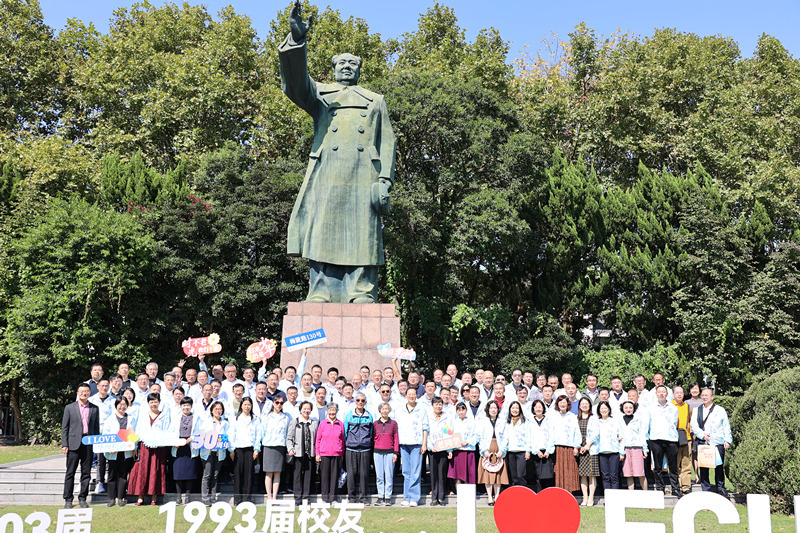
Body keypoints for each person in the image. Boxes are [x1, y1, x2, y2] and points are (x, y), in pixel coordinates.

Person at [279, 0, 396, 303]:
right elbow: (295, 84)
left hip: (364, 175)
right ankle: (321, 290)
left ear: (359, 70)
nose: (346, 67)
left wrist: (384, 180)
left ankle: (362, 291)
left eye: (352, 64)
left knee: (363, 233)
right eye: (341, 63)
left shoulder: (375, 100)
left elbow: (388, 141)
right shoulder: (321, 94)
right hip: (328, 171)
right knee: (322, 229)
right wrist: (297, 39)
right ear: (333, 68)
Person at [61, 383, 100, 509]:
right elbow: (65, 427)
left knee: (86, 473)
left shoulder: (94, 408)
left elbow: (96, 428)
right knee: (70, 472)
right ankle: (68, 499)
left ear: (90, 393)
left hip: (88, 442)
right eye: (82, 391)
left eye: (86, 391)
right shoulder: (69, 407)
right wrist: (65, 444)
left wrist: (96, 443)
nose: (84, 393)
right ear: (77, 393)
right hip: (73, 443)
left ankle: (82, 498)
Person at [129, 392, 170, 505]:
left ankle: (154, 496)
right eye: (151, 402)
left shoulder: (164, 416)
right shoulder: (143, 415)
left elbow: (166, 431)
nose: (153, 404)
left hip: (158, 447)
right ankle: (140, 496)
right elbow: (138, 431)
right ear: (148, 403)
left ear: (159, 402)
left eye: (155, 402)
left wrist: (160, 442)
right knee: (143, 469)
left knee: (155, 470)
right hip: (145, 446)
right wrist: (135, 446)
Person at [690, 388, 732, 496]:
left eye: (706, 395)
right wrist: (701, 434)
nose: (704, 397)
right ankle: (706, 489)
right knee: (704, 467)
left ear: (712, 397)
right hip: (703, 442)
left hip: (717, 442)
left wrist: (727, 440)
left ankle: (720, 487)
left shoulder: (720, 410)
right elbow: (694, 425)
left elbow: (726, 425)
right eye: (703, 395)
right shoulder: (697, 410)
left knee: (719, 466)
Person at [395, 387, 429, 507]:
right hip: (404, 444)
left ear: (417, 395)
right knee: (406, 472)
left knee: (415, 471)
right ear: (406, 396)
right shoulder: (400, 409)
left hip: (417, 443)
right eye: (409, 394)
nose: (411, 396)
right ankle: (407, 497)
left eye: (413, 394)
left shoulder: (422, 409)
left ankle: (414, 497)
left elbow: (425, 427)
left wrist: (424, 443)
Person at [102, 397, 136, 506]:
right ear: (116, 405)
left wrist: (134, 447)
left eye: (124, 404)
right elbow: (105, 435)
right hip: (113, 452)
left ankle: (121, 498)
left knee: (123, 474)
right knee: (112, 475)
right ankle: (111, 498)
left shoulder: (131, 418)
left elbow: (134, 434)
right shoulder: (110, 419)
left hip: (126, 451)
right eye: (120, 404)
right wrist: (109, 447)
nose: (122, 406)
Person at [647, 385, 680, 496]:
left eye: (663, 392)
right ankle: (660, 488)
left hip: (671, 439)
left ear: (667, 394)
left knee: (673, 466)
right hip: (656, 439)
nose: (661, 394)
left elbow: (675, 423)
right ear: (656, 394)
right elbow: (648, 424)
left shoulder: (673, 408)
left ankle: (675, 488)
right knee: (657, 467)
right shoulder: (651, 408)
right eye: (659, 392)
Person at [228, 397, 260, 505]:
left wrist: (256, 449)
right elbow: (231, 434)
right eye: (245, 404)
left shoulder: (255, 419)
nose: (247, 407)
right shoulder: (235, 419)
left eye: (249, 405)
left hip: (250, 449)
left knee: (249, 474)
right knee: (238, 474)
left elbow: (258, 435)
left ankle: (247, 499)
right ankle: (237, 499)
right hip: (238, 449)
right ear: (241, 406)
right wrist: (231, 449)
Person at [259, 395, 292, 500]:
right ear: (273, 403)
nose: (279, 405)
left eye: (281, 403)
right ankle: (269, 496)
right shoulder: (267, 417)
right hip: (269, 446)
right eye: (277, 402)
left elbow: (288, 432)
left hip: (280, 446)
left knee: (277, 473)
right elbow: (262, 431)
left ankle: (274, 496)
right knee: (269, 473)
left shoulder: (286, 417)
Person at [287, 401, 318, 506]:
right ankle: (297, 498)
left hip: (310, 453)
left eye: (308, 408)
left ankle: (306, 498)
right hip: (298, 453)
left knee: (308, 476)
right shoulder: (295, 422)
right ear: (300, 409)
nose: (306, 410)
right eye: (304, 408)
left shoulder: (314, 423)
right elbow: (289, 437)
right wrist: (290, 448)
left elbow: (317, 438)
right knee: (297, 476)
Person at [344, 392, 373, 504]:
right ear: (355, 402)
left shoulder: (369, 416)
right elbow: (345, 432)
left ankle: (363, 497)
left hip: (365, 449)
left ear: (365, 402)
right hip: (351, 449)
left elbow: (371, 432)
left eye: (362, 400)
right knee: (351, 474)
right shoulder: (349, 415)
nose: (360, 402)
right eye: (358, 400)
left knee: (364, 475)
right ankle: (351, 497)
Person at [477, 400, 508, 506]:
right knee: (488, 474)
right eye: (491, 408)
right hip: (487, 448)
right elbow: (480, 437)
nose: (493, 410)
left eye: (495, 408)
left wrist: (502, 450)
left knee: (498, 474)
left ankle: (497, 496)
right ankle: (490, 497)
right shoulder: (483, 421)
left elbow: (505, 437)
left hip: (498, 448)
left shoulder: (502, 421)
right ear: (488, 409)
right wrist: (484, 450)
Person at [198, 401, 228, 506]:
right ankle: (205, 497)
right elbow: (201, 435)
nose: (218, 411)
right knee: (207, 475)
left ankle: (213, 497)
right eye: (216, 409)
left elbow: (227, 436)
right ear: (211, 411)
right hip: (208, 452)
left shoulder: (225, 423)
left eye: (220, 409)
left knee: (215, 475)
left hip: (219, 452)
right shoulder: (206, 422)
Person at [171, 397, 200, 505]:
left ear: (191, 406)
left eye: (188, 405)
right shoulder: (176, 417)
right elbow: (171, 431)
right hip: (178, 446)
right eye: (184, 405)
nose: (186, 407)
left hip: (190, 446)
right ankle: (178, 497)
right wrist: (175, 442)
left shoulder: (196, 417)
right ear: (181, 406)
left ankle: (187, 496)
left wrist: (192, 438)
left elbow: (200, 431)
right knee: (178, 473)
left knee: (190, 473)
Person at [549, 395, 580, 494]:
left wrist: (576, 446)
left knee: (569, 471)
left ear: (568, 404)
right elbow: (550, 432)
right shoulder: (553, 416)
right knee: (558, 471)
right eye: (560, 402)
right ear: (557, 404)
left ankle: (569, 494)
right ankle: (559, 494)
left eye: (564, 402)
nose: (562, 404)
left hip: (569, 447)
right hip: (557, 447)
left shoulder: (572, 416)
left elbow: (577, 432)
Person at [316, 403, 345, 504]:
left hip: (337, 454)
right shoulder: (322, 424)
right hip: (324, 454)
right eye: (330, 410)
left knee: (335, 477)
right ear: (327, 411)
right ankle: (325, 498)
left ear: (336, 411)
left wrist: (342, 453)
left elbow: (343, 440)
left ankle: (333, 498)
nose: (332, 412)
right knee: (324, 477)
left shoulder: (340, 424)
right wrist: (317, 453)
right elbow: (318, 439)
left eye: (334, 410)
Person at [426, 397, 453, 506]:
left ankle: (441, 497)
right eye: (436, 404)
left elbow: (450, 432)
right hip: (432, 449)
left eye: (440, 404)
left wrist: (449, 449)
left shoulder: (447, 417)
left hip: (443, 448)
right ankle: (434, 497)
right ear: (432, 405)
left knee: (442, 473)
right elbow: (426, 433)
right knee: (433, 473)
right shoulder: (428, 416)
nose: (438, 406)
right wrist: (429, 446)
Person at [373, 402, 399, 506]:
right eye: (383, 409)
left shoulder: (393, 423)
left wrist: (395, 452)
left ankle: (388, 497)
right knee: (379, 476)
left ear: (389, 410)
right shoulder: (375, 424)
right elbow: (373, 437)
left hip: (390, 452)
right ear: (380, 410)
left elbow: (396, 438)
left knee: (389, 475)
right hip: (377, 452)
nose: (384, 411)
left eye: (386, 409)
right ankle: (380, 496)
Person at [594, 401, 624, 492]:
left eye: (605, 408)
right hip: (602, 452)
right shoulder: (597, 422)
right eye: (601, 408)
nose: (604, 410)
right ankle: (607, 496)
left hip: (614, 452)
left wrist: (622, 452)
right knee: (605, 476)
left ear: (609, 409)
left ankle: (614, 496)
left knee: (614, 476)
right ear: (599, 410)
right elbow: (594, 436)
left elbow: (621, 437)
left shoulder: (615, 421)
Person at [619, 400, 648, 491]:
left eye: (630, 408)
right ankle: (631, 494)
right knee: (628, 474)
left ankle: (646, 493)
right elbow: (620, 437)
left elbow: (642, 434)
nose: (628, 409)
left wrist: (645, 449)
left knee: (640, 473)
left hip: (637, 447)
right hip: (625, 449)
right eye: (626, 408)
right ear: (622, 409)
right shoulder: (619, 420)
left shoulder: (638, 419)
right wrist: (621, 452)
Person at [448, 402, 478, 486]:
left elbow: (477, 435)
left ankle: (468, 492)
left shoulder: (472, 422)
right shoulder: (453, 422)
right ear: (456, 411)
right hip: (457, 451)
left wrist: (468, 441)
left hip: (469, 450)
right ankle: (459, 493)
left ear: (466, 410)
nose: (461, 412)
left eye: (463, 410)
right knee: (458, 475)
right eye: (459, 410)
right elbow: (448, 434)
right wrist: (450, 450)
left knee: (469, 474)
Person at [576, 397, 599, 506]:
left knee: (592, 475)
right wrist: (579, 446)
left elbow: (596, 434)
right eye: (582, 404)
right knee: (583, 475)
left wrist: (587, 445)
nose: (585, 405)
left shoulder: (594, 418)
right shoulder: (576, 418)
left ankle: (591, 497)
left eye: (587, 403)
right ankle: (585, 497)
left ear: (590, 405)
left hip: (591, 449)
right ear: (579, 406)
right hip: (580, 449)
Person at [528, 400, 555, 490]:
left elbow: (552, 436)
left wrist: (548, 450)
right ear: (533, 409)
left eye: (540, 407)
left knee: (548, 476)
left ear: (543, 408)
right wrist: (536, 451)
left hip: (547, 452)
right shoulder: (529, 421)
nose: (538, 409)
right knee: (537, 476)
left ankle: (548, 495)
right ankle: (538, 495)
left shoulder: (549, 421)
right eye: (536, 407)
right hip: (535, 452)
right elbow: (529, 437)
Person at [672, 385, 693, 496]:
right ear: (673, 394)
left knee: (686, 463)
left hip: (686, 438)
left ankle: (686, 486)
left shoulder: (687, 407)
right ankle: (676, 486)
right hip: (673, 439)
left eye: (681, 393)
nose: (679, 395)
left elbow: (690, 420)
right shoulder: (670, 406)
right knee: (675, 464)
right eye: (677, 393)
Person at [504, 401, 531, 488]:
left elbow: (528, 436)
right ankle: (515, 493)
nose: (515, 410)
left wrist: (528, 451)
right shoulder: (507, 422)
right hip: (511, 451)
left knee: (521, 475)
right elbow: (505, 437)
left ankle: (524, 491)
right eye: (513, 408)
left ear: (520, 410)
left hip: (521, 451)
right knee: (514, 476)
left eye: (517, 408)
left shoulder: (525, 421)